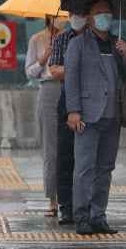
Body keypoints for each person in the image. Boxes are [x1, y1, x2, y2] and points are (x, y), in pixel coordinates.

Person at [64, 0, 126, 235]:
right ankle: (81, 217)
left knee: (105, 169)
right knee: (84, 168)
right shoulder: (78, 44)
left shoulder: (120, 43)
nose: (104, 15)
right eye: (99, 12)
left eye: (107, 11)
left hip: (113, 116)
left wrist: (125, 57)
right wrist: (73, 110)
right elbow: (71, 78)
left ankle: (99, 217)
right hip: (88, 116)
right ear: (89, 18)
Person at [49, 12, 89, 225]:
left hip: (92, 102)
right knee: (65, 156)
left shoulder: (96, 38)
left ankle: (87, 206)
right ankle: (66, 207)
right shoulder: (61, 39)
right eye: (72, 13)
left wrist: (70, 69)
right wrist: (79, 68)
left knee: (88, 157)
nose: (76, 17)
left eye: (80, 13)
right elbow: (54, 71)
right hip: (67, 100)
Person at [25, 15, 66, 218]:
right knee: (50, 147)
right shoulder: (37, 39)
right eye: (59, 15)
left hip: (69, 90)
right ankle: (53, 200)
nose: (63, 19)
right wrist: (44, 58)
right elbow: (30, 72)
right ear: (49, 17)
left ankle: (72, 198)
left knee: (72, 146)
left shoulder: (72, 38)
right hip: (48, 90)